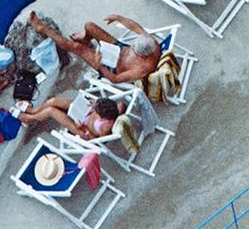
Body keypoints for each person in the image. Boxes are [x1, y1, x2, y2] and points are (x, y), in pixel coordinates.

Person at [27, 11, 161, 85]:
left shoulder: (142, 69)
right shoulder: (150, 42)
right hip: (118, 49)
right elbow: (135, 27)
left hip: (111, 66)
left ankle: (42, 28)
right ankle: (85, 39)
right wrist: (119, 18)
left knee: (75, 47)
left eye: (134, 50)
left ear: (142, 56)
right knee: (89, 26)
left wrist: (99, 65)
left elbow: (114, 79)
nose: (131, 47)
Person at [19, 91, 125, 138]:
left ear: (102, 117)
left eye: (97, 111)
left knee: (51, 111)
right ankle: (34, 111)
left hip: (82, 128)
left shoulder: (105, 128)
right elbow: (122, 105)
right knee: (54, 101)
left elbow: (96, 140)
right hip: (86, 112)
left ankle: (31, 118)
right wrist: (95, 105)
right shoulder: (115, 109)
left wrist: (82, 127)